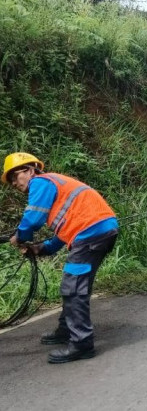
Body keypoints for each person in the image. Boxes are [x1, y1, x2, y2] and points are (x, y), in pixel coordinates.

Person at [2, 152, 119, 364]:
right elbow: (66, 229)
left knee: (72, 288)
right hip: (95, 232)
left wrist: (20, 237)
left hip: (91, 234)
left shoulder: (40, 182)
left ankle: (82, 343)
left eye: (14, 176)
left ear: (29, 170)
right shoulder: (54, 185)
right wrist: (43, 248)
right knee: (75, 286)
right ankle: (67, 330)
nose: (13, 183)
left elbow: (33, 219)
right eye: (10, 181)